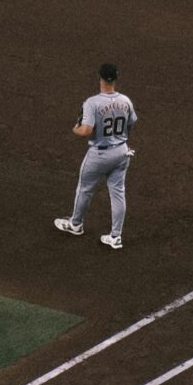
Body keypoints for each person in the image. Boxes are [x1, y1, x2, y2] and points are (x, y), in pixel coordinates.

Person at [54, 63, 136, 249]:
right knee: (118, 192)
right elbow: (130, 124)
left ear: (100, 78)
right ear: (115, 79)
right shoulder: (126, 101)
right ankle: (116, 236)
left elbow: (86, 130)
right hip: (122, 151)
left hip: (99, 154)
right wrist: (120, 140)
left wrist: (75, 129)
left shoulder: (92, 103)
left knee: (85, 189)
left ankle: (76, 224)